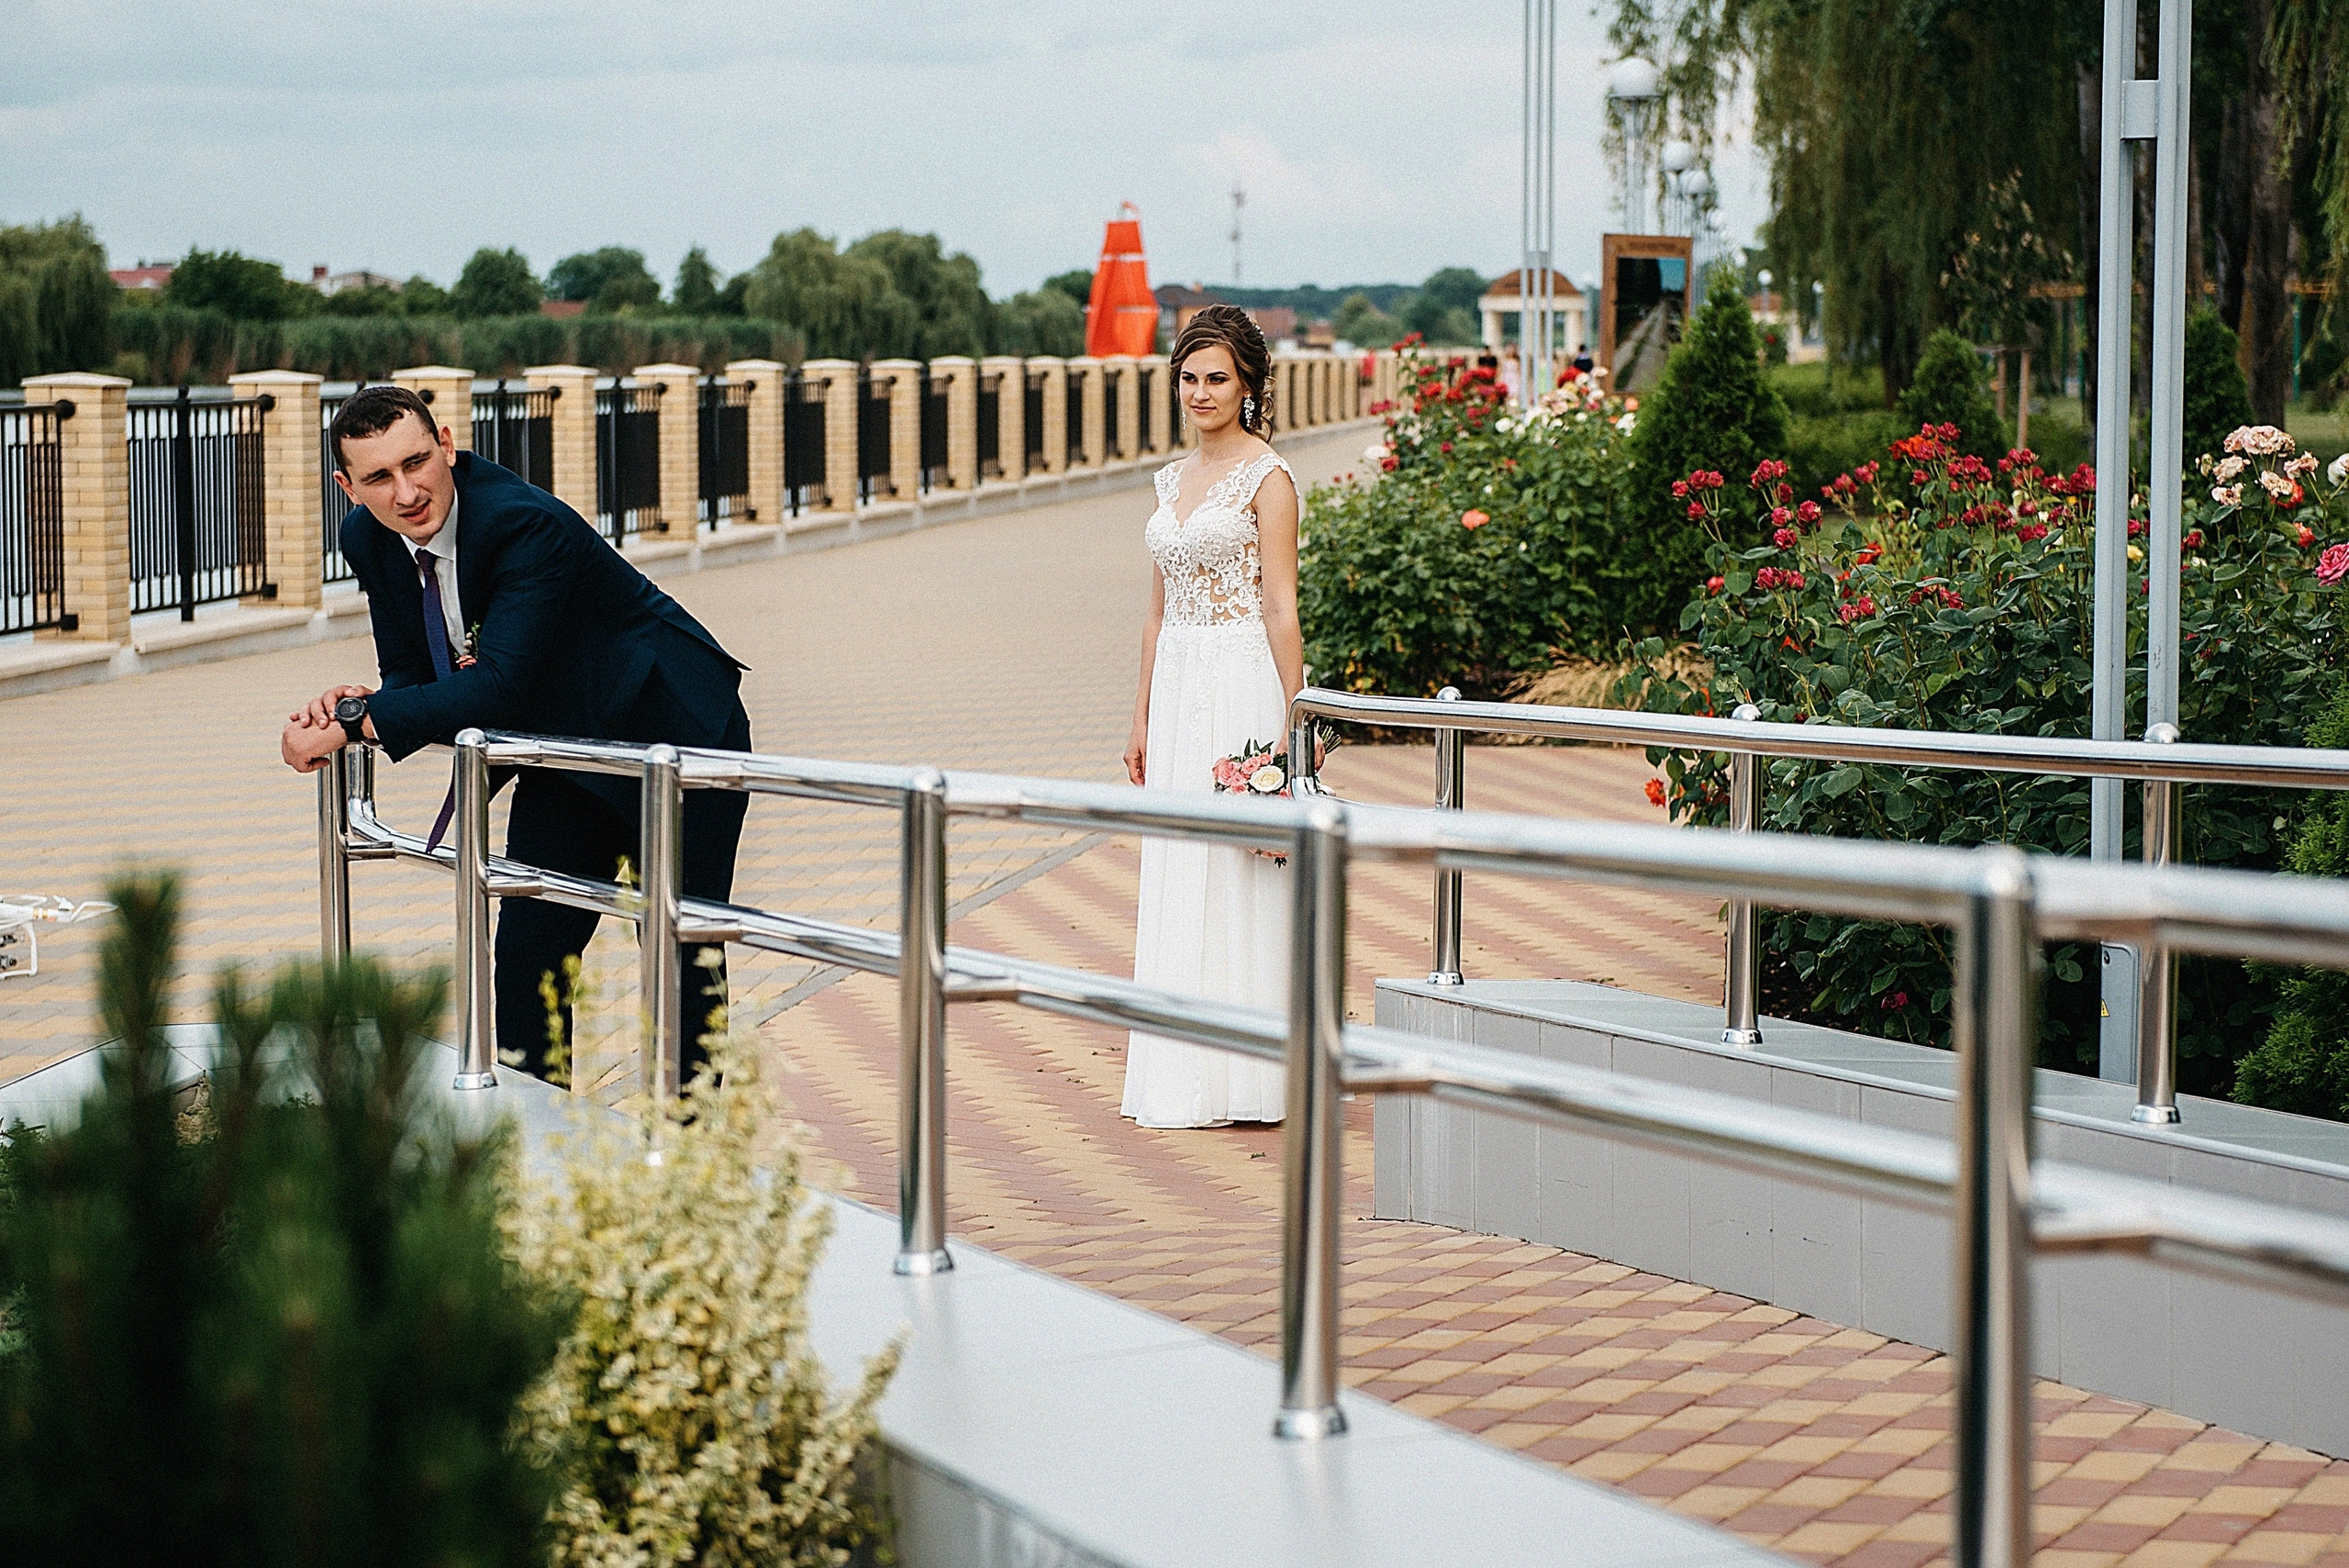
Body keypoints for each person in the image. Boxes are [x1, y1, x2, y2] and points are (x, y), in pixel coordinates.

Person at [278, 384, 751, 1082]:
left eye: (417, 462)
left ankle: (692, 1155)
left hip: (673, 733)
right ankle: (533, 1147)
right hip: (563, 746)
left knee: (681, 955)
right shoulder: (368, 539)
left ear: (447, 444)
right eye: (379, 477)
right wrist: (354, 710)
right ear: (349, 488)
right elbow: (413, 669)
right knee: (530, 954)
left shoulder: (522, 523)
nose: (407, 492)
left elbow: (499, 684)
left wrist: (361, 726)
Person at [1120, 304, 1302, 1129]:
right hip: (1180, 681)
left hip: (1240, 681)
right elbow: (1155, 614)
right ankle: (1183, 1070)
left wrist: (1296, 728)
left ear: (1250, 386)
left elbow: (1280, 607)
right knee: (1180, 863)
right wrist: (1141, 717)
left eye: (1216, 379)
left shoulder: (1269, 479)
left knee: (1238, 869)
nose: (1200, 392)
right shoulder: (1168, 481)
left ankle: (1252, 1075)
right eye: (1189, 378)